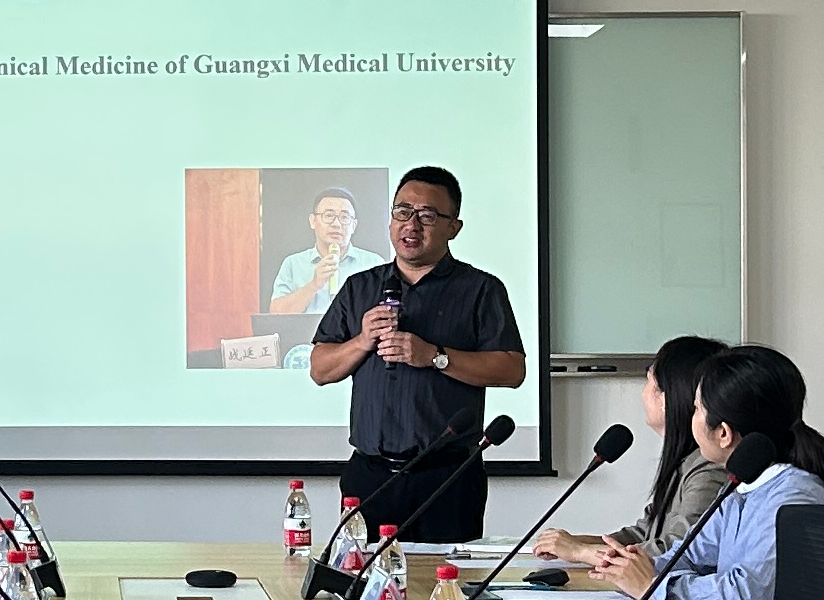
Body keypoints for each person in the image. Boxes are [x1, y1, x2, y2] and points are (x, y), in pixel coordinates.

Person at [306, 167, 527, 543]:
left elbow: (512, 369)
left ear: (453, 227)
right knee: (363, 577)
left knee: (446, 578)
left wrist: (435, 356)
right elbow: (319, 369)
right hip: (369, 475)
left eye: (427, 215)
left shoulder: (481, 289)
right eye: (402, 212)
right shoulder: (360, 287)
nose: (411, 225)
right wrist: (362, 341)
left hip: (447, 478)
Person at [588, 345, 824, 600]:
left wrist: (654, 587)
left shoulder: (793, 497)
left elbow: (750, 596)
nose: (690, 417)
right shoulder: (741, 487)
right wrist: (636, 566)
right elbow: (691, 556)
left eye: (696, 409)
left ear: (723, 433)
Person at [534, 335, 728, 565]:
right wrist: (574, 543)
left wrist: (580, 552)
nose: (642, 393)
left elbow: (678, 551)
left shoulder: (709, 469)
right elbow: (644, 535)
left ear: (667, 398)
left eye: (648, 382)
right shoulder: (685, 462)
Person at [270, 187, 388, 318]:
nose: (336, 224)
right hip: (307, 332)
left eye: (344, 217)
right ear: (313, 221)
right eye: (328, 215)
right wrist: (314, 285)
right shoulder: (293, 263)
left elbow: (387, 312)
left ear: (354, 226)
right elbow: (276, 315)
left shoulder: (373, 264)